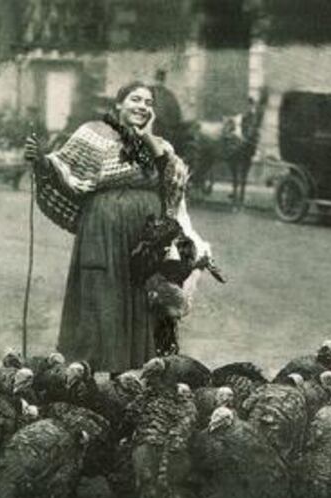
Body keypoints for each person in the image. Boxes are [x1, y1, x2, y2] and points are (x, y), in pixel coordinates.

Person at [24, 81, 204, 373]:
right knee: (102, 296)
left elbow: (170, 179)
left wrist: (145, 136)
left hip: (146, 238)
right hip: (103, 231)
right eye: (135, 99)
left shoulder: (160, 145)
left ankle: (134, 374)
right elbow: (65, 171)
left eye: (148, 103)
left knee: (144, 298)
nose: (142, 106)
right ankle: (89, 373)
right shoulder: (92, 134)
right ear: (118, 104)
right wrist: (41, 160)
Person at [151, 69, 183, 148]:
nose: (159, 82)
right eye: (157, 79)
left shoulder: (169, 96)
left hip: (163, 129)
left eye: (161, 80)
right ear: (155, 79)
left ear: (163, 81)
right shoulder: (147, 92)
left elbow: (176, 115)